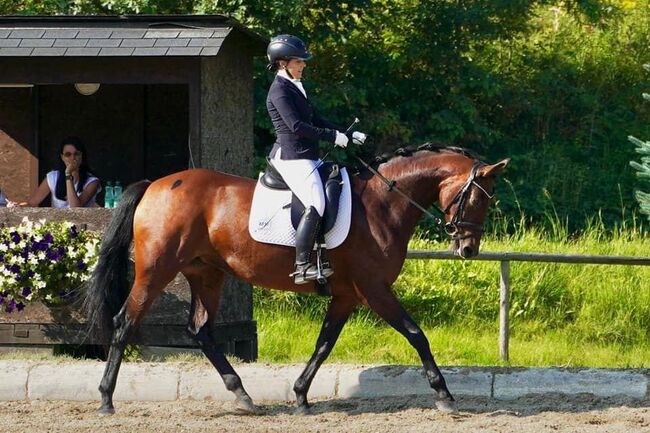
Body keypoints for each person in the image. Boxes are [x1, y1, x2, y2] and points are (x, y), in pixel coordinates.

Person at [266, 34, 367, 284]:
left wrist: (346, 133)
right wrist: (332, 138)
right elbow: (297, 126)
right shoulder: (279, 90)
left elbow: (316, 119)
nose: (303, 65)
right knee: (316, 203)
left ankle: (324, 252)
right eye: (299, 61)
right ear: (283, 63)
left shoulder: (295, 86)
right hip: (292, 157)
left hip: (306, 155)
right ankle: (301, 266)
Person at [15, 136, 101, 208]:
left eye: (76, 154)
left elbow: (76, 208)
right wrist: (18, 206)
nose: (72, 158)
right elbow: (32, 203)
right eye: (68, 154)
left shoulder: (92, 181)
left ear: (82, 156)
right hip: (58, 225)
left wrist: (68, 175)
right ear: (62, 157)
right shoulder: (53, 177)